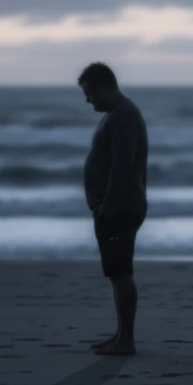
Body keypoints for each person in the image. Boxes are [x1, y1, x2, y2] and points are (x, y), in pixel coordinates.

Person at [79, 62, 148, 356]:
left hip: (120, 209)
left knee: (121, 272)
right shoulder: (116, 116)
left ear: (104, 87)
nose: (88, 100)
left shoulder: (123, 117)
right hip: (115, 208)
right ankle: (121, 335)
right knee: (116, 273)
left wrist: (107, 207)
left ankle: (127, 339)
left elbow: (122, 166)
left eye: (89, 93)